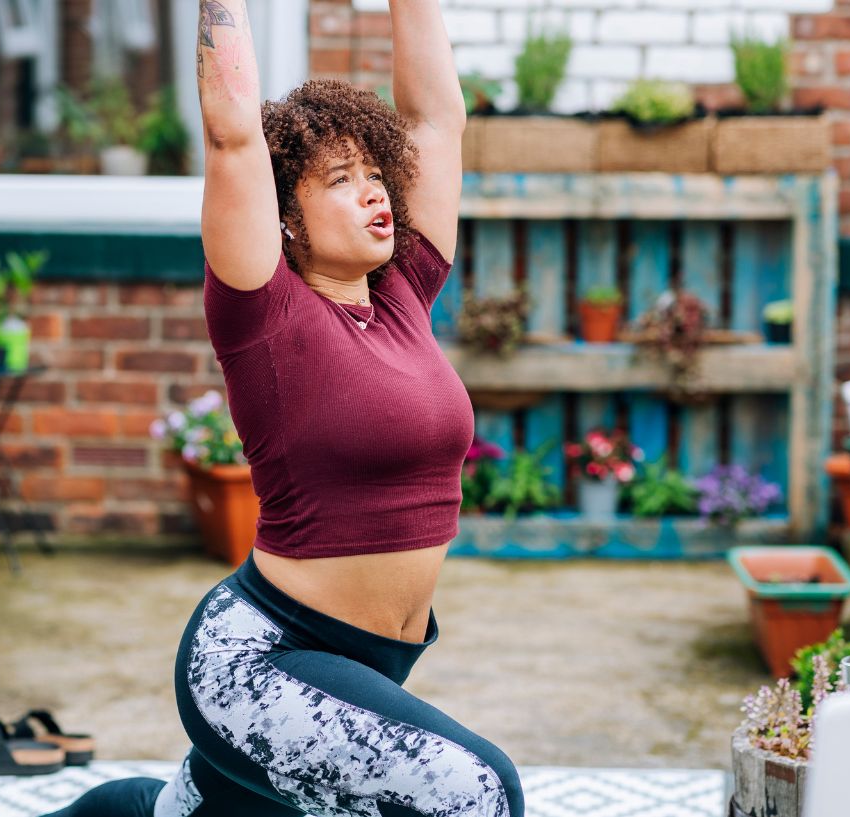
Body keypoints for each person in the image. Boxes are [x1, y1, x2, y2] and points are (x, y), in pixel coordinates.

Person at [42, 1, 523, 814]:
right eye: (341, 181)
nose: (375, 194)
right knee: (473, 790)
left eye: (377, 175)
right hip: (255, 661)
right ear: (284, 219)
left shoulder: (403, 293)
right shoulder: (264, 314)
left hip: (359, 663)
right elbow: (232, 131)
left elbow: (437, 119)